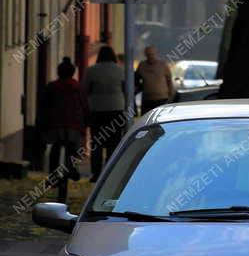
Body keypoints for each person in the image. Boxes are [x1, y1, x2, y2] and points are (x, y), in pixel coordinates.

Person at [40, 57, 88, 184]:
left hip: (55, 124)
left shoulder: (52, 87)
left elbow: (44, 106)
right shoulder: (78, 87)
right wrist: (86, 123)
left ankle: (52, 175)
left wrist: (43, 124)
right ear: (72, 73)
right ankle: (72, 169)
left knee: (55, 148)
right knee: (73, 147)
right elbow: (85, 106)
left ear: (59, 72)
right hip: (74, 124)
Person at [84, 46, 125, 181]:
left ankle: (96, 173)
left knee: (97, 143)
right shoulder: (120, 71)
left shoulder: (91, 71)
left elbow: (85, 90)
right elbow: (127, 90)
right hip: (116, 109)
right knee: (113, 143)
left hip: (97, 110)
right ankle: (109, 174)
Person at [135, 45, 175, 113]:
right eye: (148, 54)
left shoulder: (163, 65)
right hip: (147, 100)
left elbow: (169, 81)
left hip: (162, 99)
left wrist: (171, 96)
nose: (150, 56)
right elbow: (136, 81)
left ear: (155, 54)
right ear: (145, 55)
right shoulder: (142, 65)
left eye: (152, 54)